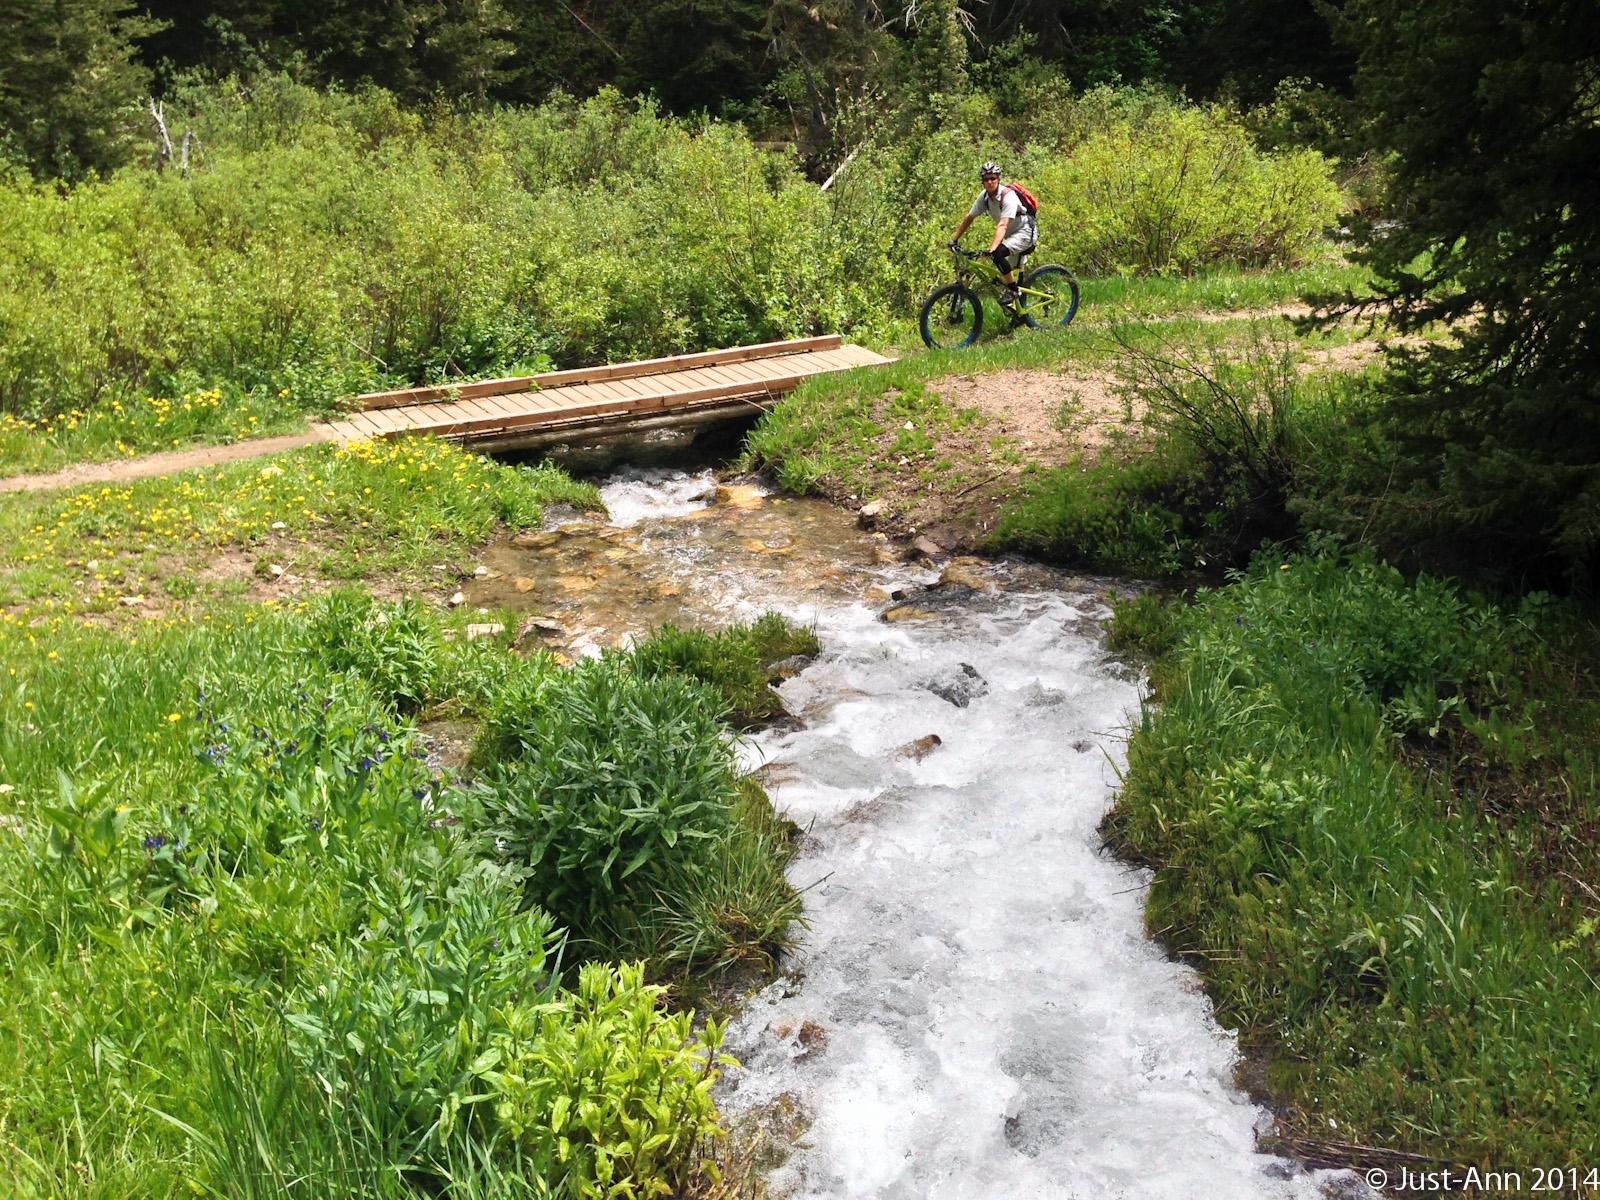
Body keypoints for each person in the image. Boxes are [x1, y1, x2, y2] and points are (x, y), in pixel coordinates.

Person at [950, 161, 1036, 309]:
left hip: (1025, 232)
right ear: (982, 181)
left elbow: (1002, 224)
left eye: (993, 178)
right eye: (986, 179)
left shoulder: (1007, 196)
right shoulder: (984, 197)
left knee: (997, 254)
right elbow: (969, 217)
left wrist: (993, 248)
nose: (990, 182)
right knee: (1006, 270)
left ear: (999, 179)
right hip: (1011, 235)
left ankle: (1014, 291)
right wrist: (954, 239)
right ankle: (1019, 312)